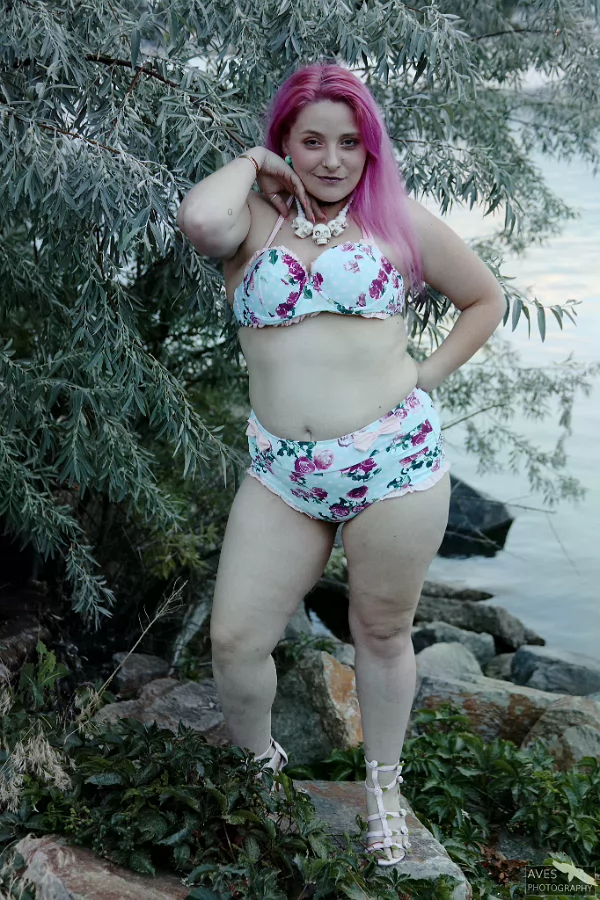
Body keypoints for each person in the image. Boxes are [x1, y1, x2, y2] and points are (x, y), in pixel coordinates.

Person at [176, 61, 506, 866]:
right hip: (283, 474)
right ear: (286, 141)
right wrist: (253, 163)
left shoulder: (397, 220)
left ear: (370, 149)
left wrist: (425, 377)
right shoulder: (251, 222)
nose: (331, 159)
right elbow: (199, 220)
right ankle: (261, 775)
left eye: (350, 143)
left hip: (392, 465)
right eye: (311, 140)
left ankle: (383, 792)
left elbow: (485, 299)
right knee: (236, 641)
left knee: (382, 633)